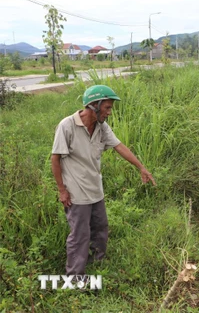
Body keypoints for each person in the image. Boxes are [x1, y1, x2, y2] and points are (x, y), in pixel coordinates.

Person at [51, 84, 156, 276]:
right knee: (80, 235)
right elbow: (55, 159)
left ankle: (97, 263)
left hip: (95, 190)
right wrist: (62, 190)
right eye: (107, 108)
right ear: (94, 105)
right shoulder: (67, 126)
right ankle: (74, 277)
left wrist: (141, 167)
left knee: (100, 228)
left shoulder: (101, 127)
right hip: (76, 192)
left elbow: (119, 146)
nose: (109, 113)